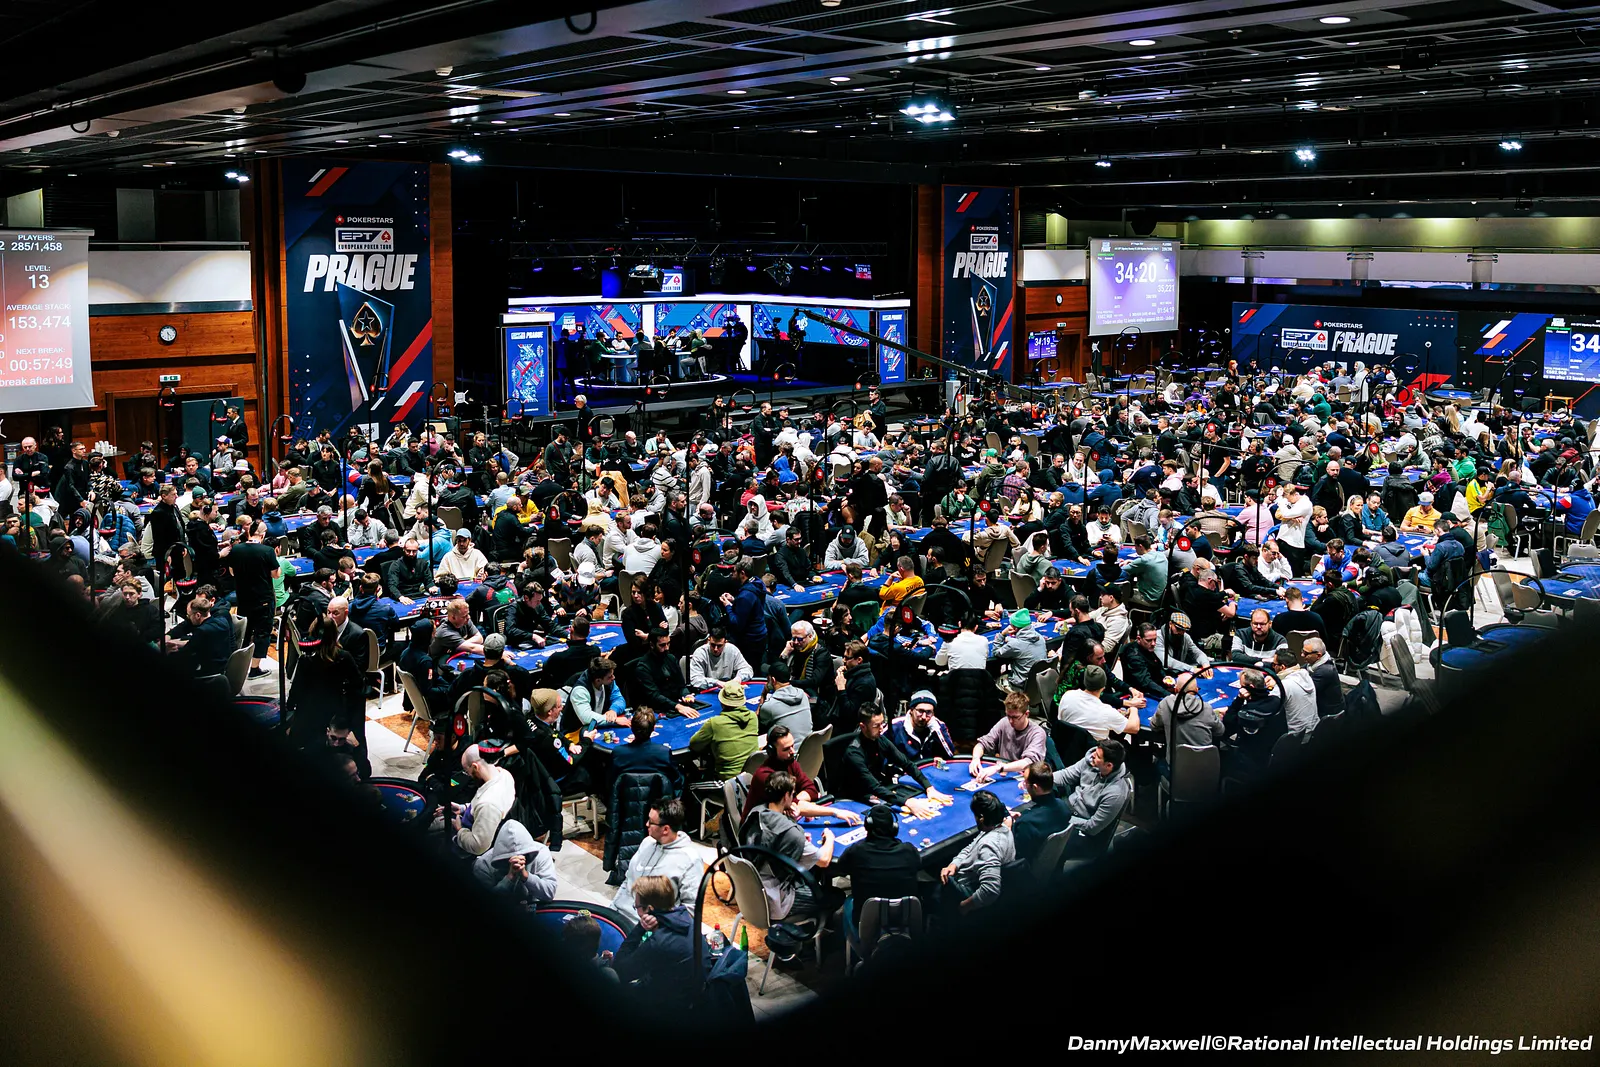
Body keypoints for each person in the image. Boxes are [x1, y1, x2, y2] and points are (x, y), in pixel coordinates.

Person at [741, 771, 846, 923]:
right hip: (776, 901)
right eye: (792, 794)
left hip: (752, 891)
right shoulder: (792, 834)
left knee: (811, 874)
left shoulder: (756, 812)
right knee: (836, 896)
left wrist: (792, 824)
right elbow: (824, 860)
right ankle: (815, 931)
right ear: (786, 796)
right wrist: (829, 839)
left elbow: (770, 840)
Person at [835, 706, 953, 816]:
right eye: (876, 726)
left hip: (879, 788)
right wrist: (907, 802)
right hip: (854, 798)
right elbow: (873, 786)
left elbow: (907, 763)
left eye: (882, 723)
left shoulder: (880, 740)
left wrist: (928, 787)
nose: (881, 729)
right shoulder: (853, 754)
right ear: (863, 727)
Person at [612, 875, 705, 1011]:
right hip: (694, 995)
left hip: (670, 1008)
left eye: (636, 907)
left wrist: (640, 928)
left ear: (649, 909)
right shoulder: (689, 921)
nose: (636, 910)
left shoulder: (658, 943)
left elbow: (619, 971)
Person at [833, 805, 922, 938]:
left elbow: (840, 869)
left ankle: (840, 944)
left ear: (867, 826)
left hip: (866, 925)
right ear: (894, 828)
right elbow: (918, 866)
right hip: (906, 921)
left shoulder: (856, 851)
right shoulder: (909, 850)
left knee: (846, 903)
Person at [611, 799, 702, 922]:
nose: (646, 824)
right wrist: (613, 907)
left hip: (648, 925)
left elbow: (691, 909)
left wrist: (657, 925)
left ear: (665, 829)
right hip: (618, 912)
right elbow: (628, 880)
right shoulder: (647, 842)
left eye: (651, 822)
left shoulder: (690, 860)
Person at [939, 791, 1014, 915]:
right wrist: (954, 864)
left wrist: (964, 906)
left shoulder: (988, 846)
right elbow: (971, 847)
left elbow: (990, 890)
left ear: (981, 818)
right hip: (966, 877)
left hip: (963, 890)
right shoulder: (1001, 828)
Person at [223, 520, 280, 677]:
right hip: (263, 599)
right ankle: (254, 669)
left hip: (243, 597)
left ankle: (238, 666)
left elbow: (232, 572)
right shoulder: (268, 551)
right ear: (263, 535)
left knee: (245, 632)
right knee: (262, 633)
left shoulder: (236, 549)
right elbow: (276, 574)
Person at [1052, 738, 1132, 842]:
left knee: (1043, 831)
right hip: (1067, 807)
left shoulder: (1116, 793)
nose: (1092, 755)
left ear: (1108, 765)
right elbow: (1066, 775)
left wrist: (1064, 819)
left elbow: (1092, 827)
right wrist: (1041, 778)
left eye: (1098, 756)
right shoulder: (1092, 761)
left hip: (1082, 827)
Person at [470, 820, 558, 906]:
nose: (516, 862)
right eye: (508, 860)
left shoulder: (541, 852)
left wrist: (526, 876)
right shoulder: (483, 865)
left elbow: (549, 893)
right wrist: (509, 878)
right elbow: (487, 903)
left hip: (533, 908)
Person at [688, 679, 758, 779]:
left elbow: (694, 744)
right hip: (753, 775)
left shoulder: (714, 723)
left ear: (722, 702)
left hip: (728, 781)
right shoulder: (753, 716)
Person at [970, 690, 1048, 780]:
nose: (1010, 721)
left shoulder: (1037, 733)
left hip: (1024, 779)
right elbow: (983, 744)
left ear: (1026, 714)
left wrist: (999, 768)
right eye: (1008, 716)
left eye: (1015, 717)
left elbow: (1028, 762)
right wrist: (975, 759)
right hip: (1002, 774)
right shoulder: (1004, 722)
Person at [1011, 761, 1074, 867]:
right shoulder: (1064, 807)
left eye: (1025, 782)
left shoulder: (1026, 823)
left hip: (1027, 872)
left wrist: (1009, 828)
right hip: (1056, 866)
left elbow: (1017, 858)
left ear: (1035, 787)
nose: (1024, 785)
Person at [1056, 664, 1141, 740]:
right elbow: (1134, 728)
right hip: (1094, 751)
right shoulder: (1106, 712)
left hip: (1065, 747)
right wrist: (1133, 708)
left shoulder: (1067, 695)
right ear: (1103, 687)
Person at [162, 597, 235, 678]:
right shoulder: (222, 621)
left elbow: (184, 655)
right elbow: (202, 643)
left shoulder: (202, 631)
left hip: (208, 676)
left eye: (189, 615)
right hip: (223, 667)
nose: (189, 618)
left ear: (198, 615)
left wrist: (167, 653)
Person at [889, 689, 957, 761]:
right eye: (920, 711)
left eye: (928, 712)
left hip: (928, 767)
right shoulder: (894, 726)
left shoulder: (938, 727)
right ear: (911, 710)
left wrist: (936, 730)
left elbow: (950, 754)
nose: (924, 717)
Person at [990, 609, 1047, 691]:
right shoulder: (1040, 638)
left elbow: (996, 652)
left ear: (1015, 628)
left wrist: (1002, 634)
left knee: (996, 680)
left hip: (1020, 685)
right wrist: (1010, 639)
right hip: (1038, 681)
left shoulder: (1015, 645)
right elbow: (1024, 643)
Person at [758, 662, 811, 742]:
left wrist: (763, 695)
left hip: (788, 748)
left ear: (773, 680)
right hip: (810, 746)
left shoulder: (770, 706)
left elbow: (756, 722)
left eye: (768, 678)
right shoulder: (803, 695)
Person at [569, 656, 629, 727]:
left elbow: (619, 699)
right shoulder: (580, 690)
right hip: (577, 729)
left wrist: (613, 710)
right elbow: (586, 717)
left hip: (598, 725)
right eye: (610, 677)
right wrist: (613, 720)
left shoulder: (609, 682)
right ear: (598, 680)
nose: (613, 677)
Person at [688, 626, 753, 688]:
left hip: (727, 690)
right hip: (707, 690)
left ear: (725, 642)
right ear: (708, 640)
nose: (716, 649)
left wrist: (738, 678)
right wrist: (716, 682)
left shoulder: (732, 650)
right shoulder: (700, 653)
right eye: (713, 645)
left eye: (719, 646)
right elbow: (695, 679)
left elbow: (748, 669)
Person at [1275, 646, 1320, 737]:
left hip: (1294, 737)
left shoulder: (1284, 685)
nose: (1273, 667)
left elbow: (1267, 706)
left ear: (1282, 667)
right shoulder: (1306, 676)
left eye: (1273, 664)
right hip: (1314, 731)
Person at [1301, 636, 1345, 719]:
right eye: (1302, 651)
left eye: (1306, 653)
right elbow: (1301, 669)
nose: (1302, 655)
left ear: (1318, 655)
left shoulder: (1325, 671)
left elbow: (1307, 691)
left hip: (1328, 715)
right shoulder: (1314, 663)